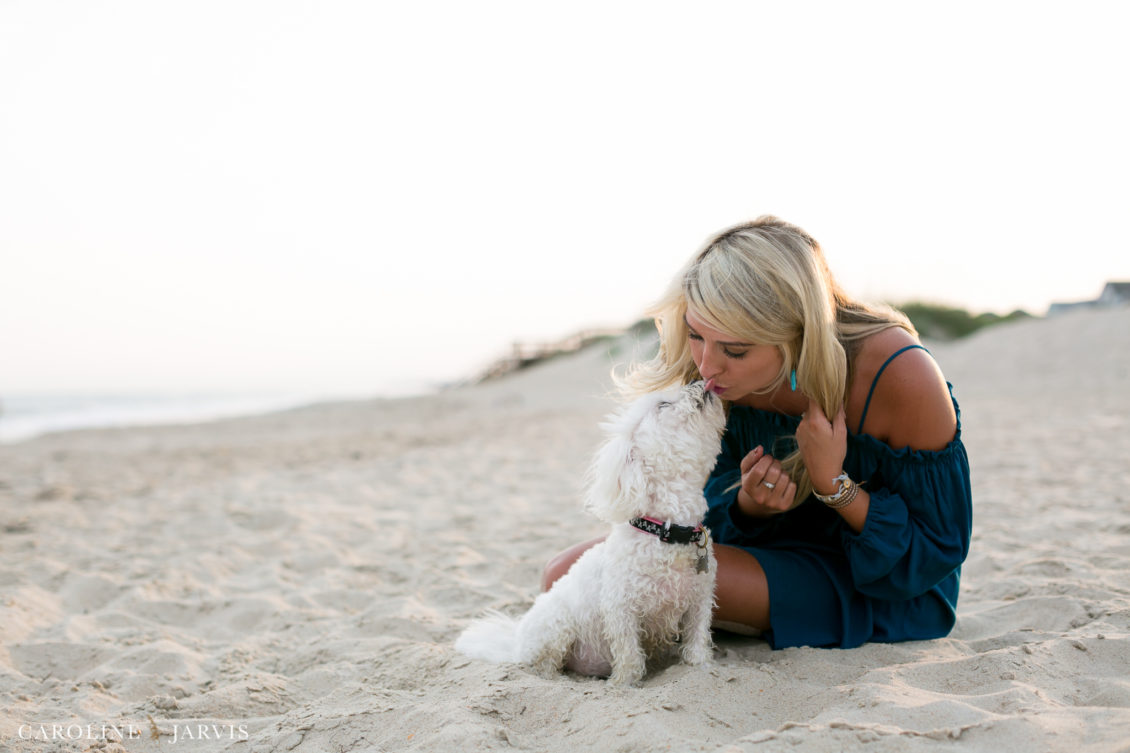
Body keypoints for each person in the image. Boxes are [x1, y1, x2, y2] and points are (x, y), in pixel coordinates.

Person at [542, 215, 972, 649]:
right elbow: (702, 519)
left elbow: (936, 550)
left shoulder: (900, 373)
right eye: (696, 335)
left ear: (795, 335)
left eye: (735, 350)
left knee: (607, 584)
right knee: (561, 573)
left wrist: (832, 483)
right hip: (766, 556)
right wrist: (750, 507)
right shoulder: (718, 371)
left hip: (882, 585)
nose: (708, 367)